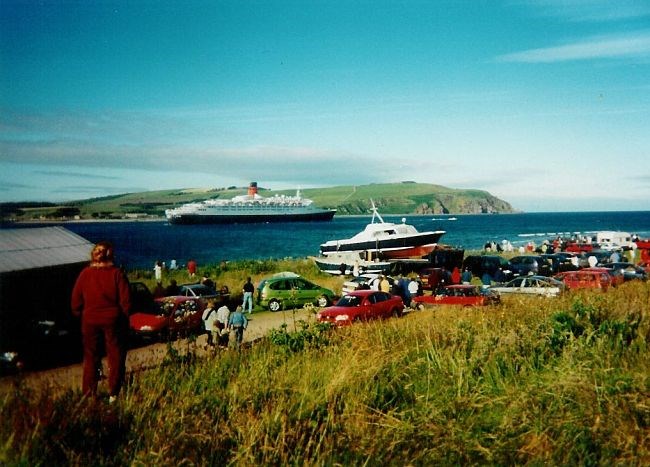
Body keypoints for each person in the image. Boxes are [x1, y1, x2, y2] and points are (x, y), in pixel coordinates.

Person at [71, 241, 131, 402]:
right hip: (113, 319)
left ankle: (89, 394)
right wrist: (122, 320)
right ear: (111, 255)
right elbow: (126, 302)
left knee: (90, 357)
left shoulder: (85, 274)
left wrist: (81, 315)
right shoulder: (117, 274)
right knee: (115, 355)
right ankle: (113, 392)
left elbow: (75, 301)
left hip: (89, 319)